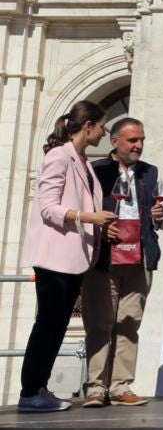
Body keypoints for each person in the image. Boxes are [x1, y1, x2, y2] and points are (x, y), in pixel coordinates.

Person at [18, 101, 114, 413]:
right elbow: (47, 206)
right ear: (88, 126)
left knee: (56, 325)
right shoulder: (59, 156)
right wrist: (88, 217)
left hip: (73, 258)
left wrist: (97, 223)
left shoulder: (82, 161)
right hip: (54, 257)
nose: (103, 131)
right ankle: (31, 391)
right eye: (101, 125)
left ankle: (38, 389)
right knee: (47, 324)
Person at [82, 118, 163, 408]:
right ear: (114, 141)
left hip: (139, 255)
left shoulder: (150, 172)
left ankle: (120, 387)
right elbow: (84, 213)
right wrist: (99, 228)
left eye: (141, 140)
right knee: (99, 322)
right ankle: (95, 387)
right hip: (104, 257)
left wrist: (159, 216)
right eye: (132, 140)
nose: (139, 145)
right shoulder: (95, 171)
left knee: (129, 322)